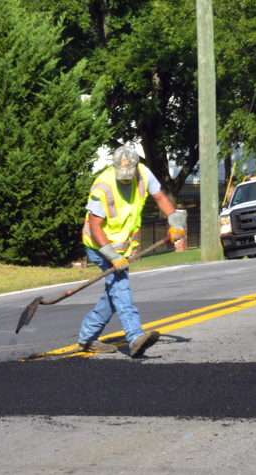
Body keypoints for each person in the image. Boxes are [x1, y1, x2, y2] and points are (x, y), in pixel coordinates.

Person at [77, 146, 186, 357]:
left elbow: (161, 198)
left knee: (114, 293)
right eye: (121, 176)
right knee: (121, 288)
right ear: (115, 167)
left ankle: (87, 337)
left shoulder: (144, 174)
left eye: (129, 176)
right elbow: (95, 227)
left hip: (121, 247)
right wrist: (113, 257)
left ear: (136, 167)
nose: (125, 180)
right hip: (99, 246)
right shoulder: (103, 187)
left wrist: (175, 221)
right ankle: (135, 337)